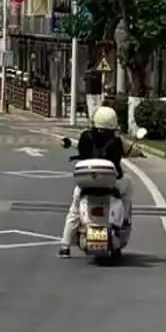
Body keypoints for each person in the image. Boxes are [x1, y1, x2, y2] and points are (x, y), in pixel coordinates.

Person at [58, 105, 131, 256]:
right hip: (110, 184)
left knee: (74, 210)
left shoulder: (86, 136)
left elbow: (80, 148)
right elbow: (128, 151)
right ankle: (124, 219)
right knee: (128, 189)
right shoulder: (117, 141)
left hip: (86, 183)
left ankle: (65, 246)